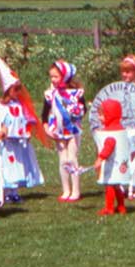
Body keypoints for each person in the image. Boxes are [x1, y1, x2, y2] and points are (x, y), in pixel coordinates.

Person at [90, 55, 135, 199]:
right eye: (123, 71)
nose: (125, 75)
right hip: (121, 129)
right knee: (121, 153)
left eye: (128, 72)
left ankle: (134, 183)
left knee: (134, 156)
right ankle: (120, 182)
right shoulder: (118, 89)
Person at [0, 56, 44, 204]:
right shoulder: (0, 105)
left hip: (18, 141)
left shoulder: (19, 104)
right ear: (8, 90)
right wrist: (1, 132)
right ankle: (6, 191)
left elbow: (24, 119)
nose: (18, 92)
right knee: (7, 165)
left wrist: (26, 131)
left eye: (19, 89)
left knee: (18, 165)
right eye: (15, 89)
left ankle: (14, 191)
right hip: (6, 141)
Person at [43, 60, 86, 203]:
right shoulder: (50, 94)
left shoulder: (76, 93)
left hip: (73, 130)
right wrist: (46, 128)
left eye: (56, 76)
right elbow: (44, 113)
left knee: (72, 158)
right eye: (51, 77)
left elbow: (83, 109)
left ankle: (76, 190)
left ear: (65, 76)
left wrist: (77, 110)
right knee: (62, 159)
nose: (53, 80)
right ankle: (66, 189)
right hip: (58, 131)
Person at [94, 98, 130, 216]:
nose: (100, 118)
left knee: (109, 185)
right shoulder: (121, 129)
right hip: (120, 164)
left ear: (109, 115)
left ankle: (109, 208)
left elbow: (108, 146)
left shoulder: (110, 133)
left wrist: (100, 159)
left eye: (102, 115)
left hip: (112, 164)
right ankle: (121, 206)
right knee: (117, 185)